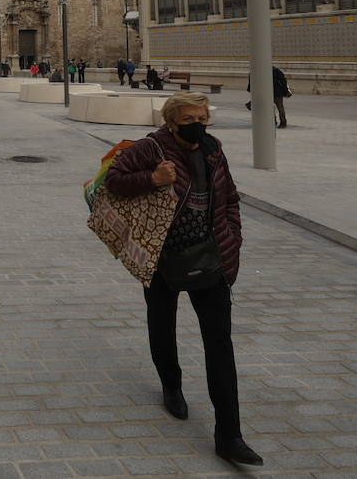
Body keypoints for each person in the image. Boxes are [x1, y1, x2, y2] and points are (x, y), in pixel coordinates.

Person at [103, 91, 260, 467]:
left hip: (211, 255)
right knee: (162, 322)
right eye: (190, 119)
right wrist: (152, 177)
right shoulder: (150, 147)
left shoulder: (213, 149)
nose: (198, 126)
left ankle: (229, 435)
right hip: (162, 256)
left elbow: (231, 197)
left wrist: (232, 238)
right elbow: (114, 181)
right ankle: (171, 385)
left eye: (203, 119)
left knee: (220, 342)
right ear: (171, 122)